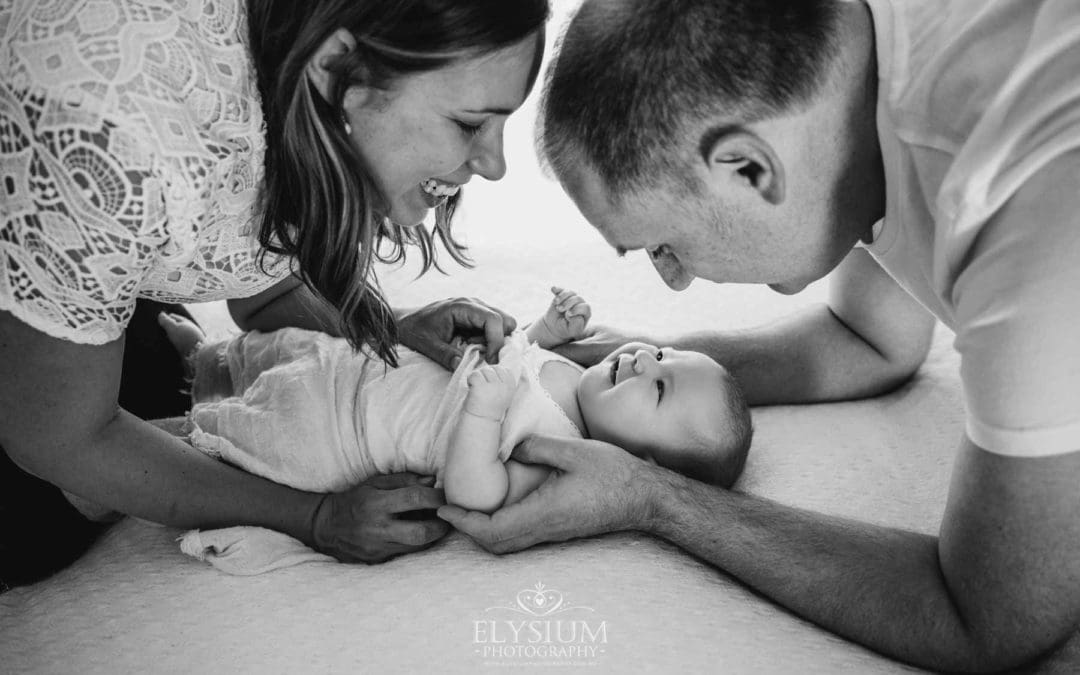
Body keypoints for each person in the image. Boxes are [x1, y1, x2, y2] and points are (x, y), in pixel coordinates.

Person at [437, 0, 1080, 671]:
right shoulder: (859, 78)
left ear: (748, 169)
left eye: (663, 243)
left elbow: (984, 619)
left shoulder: (1032, 224)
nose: (676, 279)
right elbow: (871, 340)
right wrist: (645, 362)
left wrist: (651, 496)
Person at [0, 0, 549, 588]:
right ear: (339, 65)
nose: (494, 165)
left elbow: (256, 291)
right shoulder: (113, 130)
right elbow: (59, 438)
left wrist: (387, 325)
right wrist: (311, 518)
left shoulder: (290, 67)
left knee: (172, 372)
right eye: (470, 123)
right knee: (36, 531)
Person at [156, 287, 751, 573]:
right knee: (292, 351)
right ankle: (205, 360)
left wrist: (484, 415)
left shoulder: (566, 456)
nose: (646, 361)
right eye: (667, 354)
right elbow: (521, 356)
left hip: (347, 430)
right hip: (372, 370)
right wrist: (545, 328)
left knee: (261, 428)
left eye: (659, 388)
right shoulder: (579, 375)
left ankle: (168, 438)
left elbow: (476, 492)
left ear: (639, 459)